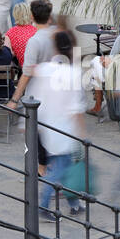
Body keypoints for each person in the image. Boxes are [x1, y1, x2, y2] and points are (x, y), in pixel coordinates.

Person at [31, 30, 86, 214]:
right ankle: (44, 205)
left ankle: (74, 204)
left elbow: (35, 97)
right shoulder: (73, 73)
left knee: (64, 168)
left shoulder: (44, 69)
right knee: (60, 170)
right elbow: (76, 107)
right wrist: (82, 132)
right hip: (64, 129)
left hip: (46, 126)